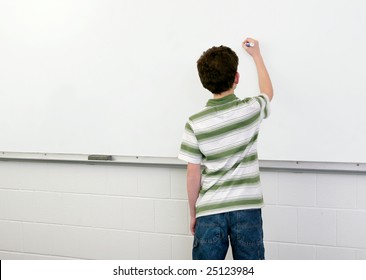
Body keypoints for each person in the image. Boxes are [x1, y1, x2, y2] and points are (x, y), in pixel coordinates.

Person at [178, 38, 273, 260]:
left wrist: (194, 213)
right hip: (247, 209)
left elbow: (193, 173)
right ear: (236, 78)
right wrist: (257, 56)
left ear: (204, 81)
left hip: (210, 212)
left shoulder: (195, 123)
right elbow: (268, 92)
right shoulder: (249, 110)